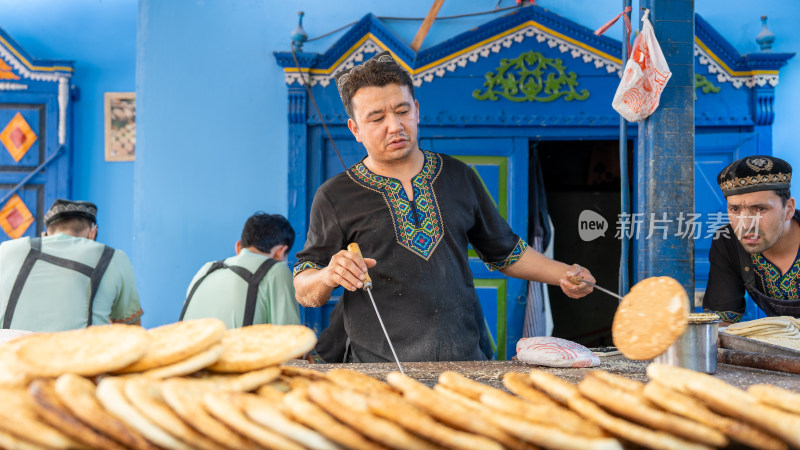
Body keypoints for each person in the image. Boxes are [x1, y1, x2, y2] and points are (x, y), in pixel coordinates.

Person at [293, 51, 595, 363]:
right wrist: (328, 276)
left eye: (402, 111)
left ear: (417, 111)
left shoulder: (458, 175)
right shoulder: (335, 195)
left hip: (466, 362)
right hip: (380, 371)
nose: (395, 126)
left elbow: (505, 252)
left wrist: (564, 274)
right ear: (355, 129)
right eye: (377, 118)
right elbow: (305, 286)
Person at [0, 199, 142, 331]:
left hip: (10, 354)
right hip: (79, 356)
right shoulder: (113, 257)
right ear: (93, 233)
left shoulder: (6, 249)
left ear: (44, 236)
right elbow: (130, 331)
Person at [703, 156, 799, 324]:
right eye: (735, 209)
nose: (746, 225)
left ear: (788, 209)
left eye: (760, 209)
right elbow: (721, 324)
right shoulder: (727, 241)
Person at [180, 212, 300, 328]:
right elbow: (294, 341)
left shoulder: (206, 270)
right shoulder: (276, 270)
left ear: (238, 247)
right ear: (280, 252)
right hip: (238, 349)